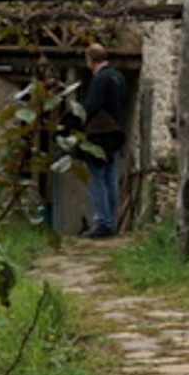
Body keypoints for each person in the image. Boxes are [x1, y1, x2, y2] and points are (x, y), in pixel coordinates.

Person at [79, 43, 130, 238]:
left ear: (90, 60)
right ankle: (112, 221)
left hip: (100, 134)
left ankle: (102, 221)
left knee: (96, 177)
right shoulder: (118, 77)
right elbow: (124, 103)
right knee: (111, 177)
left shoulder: (100, 79)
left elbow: (92, 105)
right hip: (115, 132)